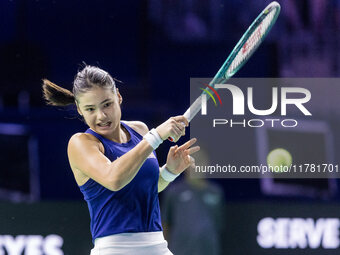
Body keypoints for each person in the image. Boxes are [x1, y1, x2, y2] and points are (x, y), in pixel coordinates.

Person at [42, 65, 200, 255]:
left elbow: (144, 186)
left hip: (158, 247)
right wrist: (156, 136)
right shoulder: (81, 144)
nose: (101, 116)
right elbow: (114, 179)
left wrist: (169, 172)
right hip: (115, 249)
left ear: (118, 96)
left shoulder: (140, 130)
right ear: (79, 109)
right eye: (90, 109)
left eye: (107, 104)